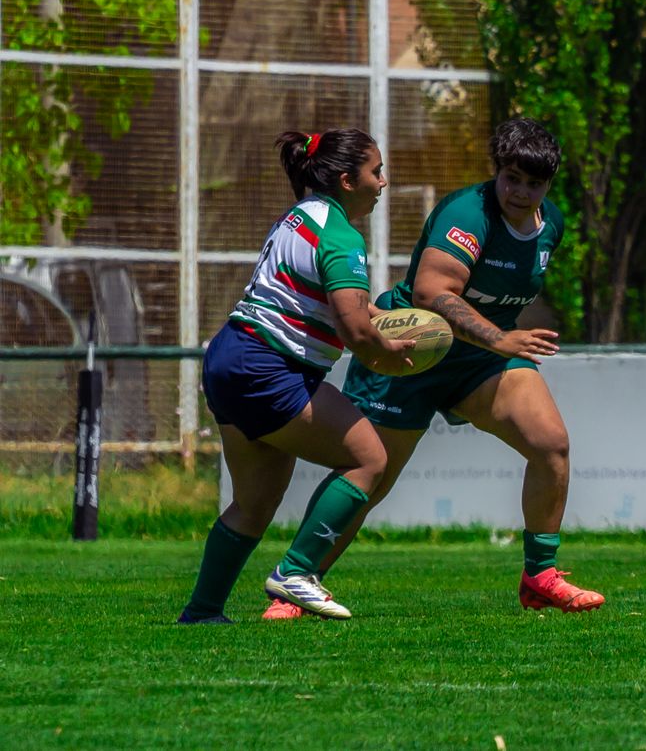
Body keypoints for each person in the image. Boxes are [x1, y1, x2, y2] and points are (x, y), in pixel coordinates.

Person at [264, 117, 604, 619]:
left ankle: (540, 577)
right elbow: (431, 294)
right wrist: (498, 336)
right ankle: (294, 581)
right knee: (372, 475)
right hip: (411, 349)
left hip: (480, 357)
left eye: (535, 183)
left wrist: (496, 340)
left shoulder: (551, 223)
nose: (522, 192)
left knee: (551, 444)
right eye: (512, 178)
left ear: (549, 184)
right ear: (498, 173)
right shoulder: (467, 213)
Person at [178, 128, 415, 624]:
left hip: (230, 357)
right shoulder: (342, 235)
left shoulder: (299, 217)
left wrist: (376, 320)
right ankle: (298, 572)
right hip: (270, 366)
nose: (384, 182)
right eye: (377, 172)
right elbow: (354, 329)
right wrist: (385, 354)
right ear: (348, 180)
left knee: (254, 503)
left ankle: (202, 612)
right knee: (370, 459)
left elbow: (334, 304)